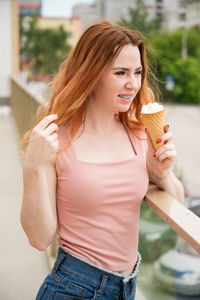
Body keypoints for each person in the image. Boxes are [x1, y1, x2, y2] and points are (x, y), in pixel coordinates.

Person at [20, 20, 184, 300]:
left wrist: (162, 174)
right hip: (72, 287)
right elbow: (39, 238)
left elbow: (178, 207)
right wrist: (33, 167)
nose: (133, 84)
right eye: (120, 73)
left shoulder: (140, 133)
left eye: (137, 72)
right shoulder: (57, 139)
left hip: (127, 287)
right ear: (91, 74)